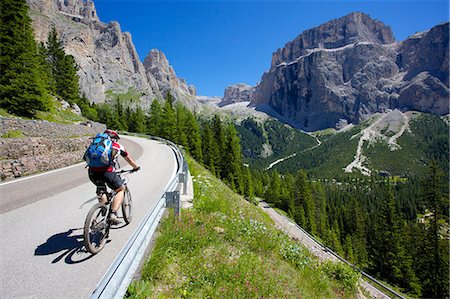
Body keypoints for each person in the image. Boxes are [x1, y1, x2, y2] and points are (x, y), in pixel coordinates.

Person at [87, 129, 140, 225]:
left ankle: (103, 209)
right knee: (120, 189)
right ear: (114, 138)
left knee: (101, 188)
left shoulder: (94, 145)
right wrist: (135, 167)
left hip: (92, 173)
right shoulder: (117, 146)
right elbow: (129, 160)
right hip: (107, 172)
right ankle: (113, 214)